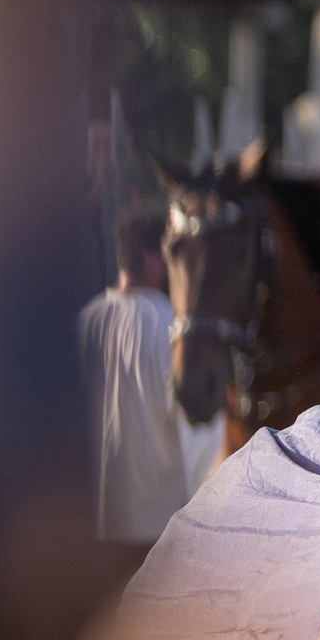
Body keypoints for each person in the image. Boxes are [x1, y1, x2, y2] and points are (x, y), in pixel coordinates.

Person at [76, 202, 207, 571]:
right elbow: (199, 435)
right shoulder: (174, 329)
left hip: (92, 534)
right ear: (153, 259)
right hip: (159, 537)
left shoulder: (83, 323)